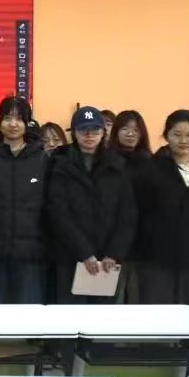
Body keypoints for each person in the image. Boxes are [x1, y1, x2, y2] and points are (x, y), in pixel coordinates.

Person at [46, 107, 137, 304]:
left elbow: (127, 214)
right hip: (71, 257)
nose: (89, 135)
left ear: (103, 133)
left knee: (103, 317)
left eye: (95, 130)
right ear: (74, 133)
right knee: (71, 316)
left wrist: (114, 253)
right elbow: (58, 212)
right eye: (83, 130)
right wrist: (84, 252)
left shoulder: (117, 165)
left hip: (107, 260)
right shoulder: (60, 164)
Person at [136, 110, 189, 305]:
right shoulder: (150, 168)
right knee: (160, 312)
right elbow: (141, 210)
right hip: (158, 256)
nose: (184, 140)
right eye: (177, 134)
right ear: (166, 136)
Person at [0, 96, 48, 304]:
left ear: (27, 123)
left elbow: (51, 207)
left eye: (19, 118)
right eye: (7, 118)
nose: (13, 124)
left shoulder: (43, 159)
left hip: (31, 254)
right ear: (0, 122)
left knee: (28, 314)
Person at [108, 110, 152, 303]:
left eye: (136, 129)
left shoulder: (151, 163)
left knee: (138, 301)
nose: (130, 133)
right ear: (116, 132)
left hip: (143, 242)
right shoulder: (106, 161)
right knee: (111, 301)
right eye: (125, 128)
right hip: (112, 242)